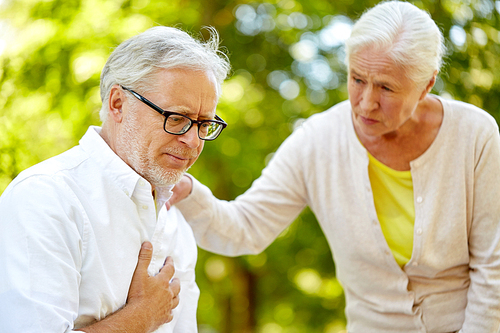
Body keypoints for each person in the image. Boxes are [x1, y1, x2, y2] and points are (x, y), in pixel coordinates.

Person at [169, 2, 500, 332]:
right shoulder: (317, 141)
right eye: (357, 79)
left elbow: (493, 266)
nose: (366, 102)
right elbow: (245, 229)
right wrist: (189, 194)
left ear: (426, 84)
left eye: (386, 87)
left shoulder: (475, 135)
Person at [0, 26, 230, 332]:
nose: (193, 140)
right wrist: (142, 317)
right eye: (176, 118)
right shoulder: (45, 198)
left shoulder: (177, 225)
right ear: (118, 104)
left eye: (204, 123)